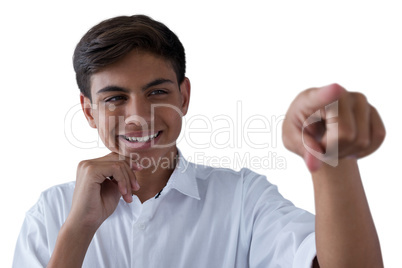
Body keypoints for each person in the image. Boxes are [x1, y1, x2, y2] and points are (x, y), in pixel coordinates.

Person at [13, 15, 385, 268]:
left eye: (157, 92)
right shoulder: (51, 214)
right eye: (114, 98)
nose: (139, 115)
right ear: (90, 111)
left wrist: (333, 159)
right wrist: (78, 230)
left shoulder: (243, 199)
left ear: (184, 97)